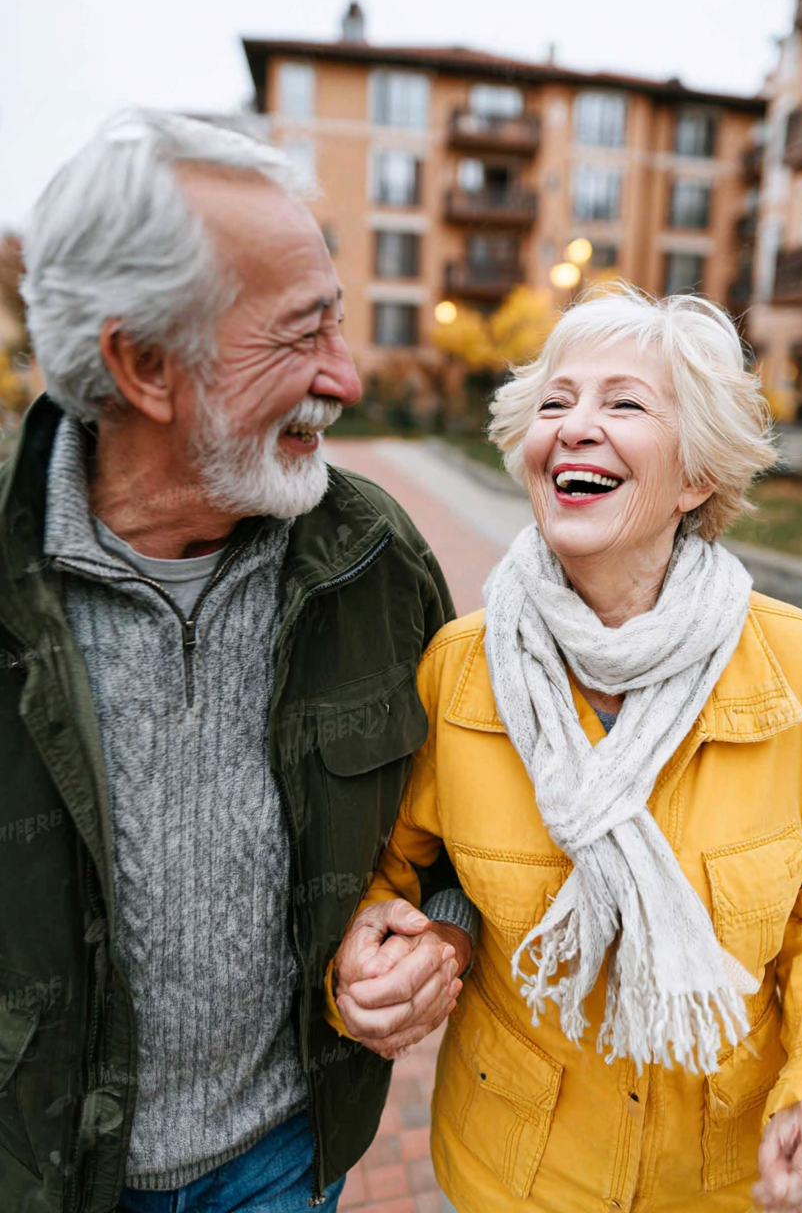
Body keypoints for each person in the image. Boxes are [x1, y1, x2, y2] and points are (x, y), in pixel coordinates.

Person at [0, 110, 477, 1213]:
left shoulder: (375, 556)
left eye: (342, 327)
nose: (347, 378)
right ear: (145, 363)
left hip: (284, 1155)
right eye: (301, 334)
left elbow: (464, 838)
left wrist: (436, 940)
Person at [331, 287, 802, 1213]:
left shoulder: (801, 670)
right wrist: (375, 954)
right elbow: (391, 872)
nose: (576, 427)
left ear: (696, 477)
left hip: (724, 1180)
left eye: (623, 404)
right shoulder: (459, 673)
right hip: (514, 1175)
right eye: (555, 403)